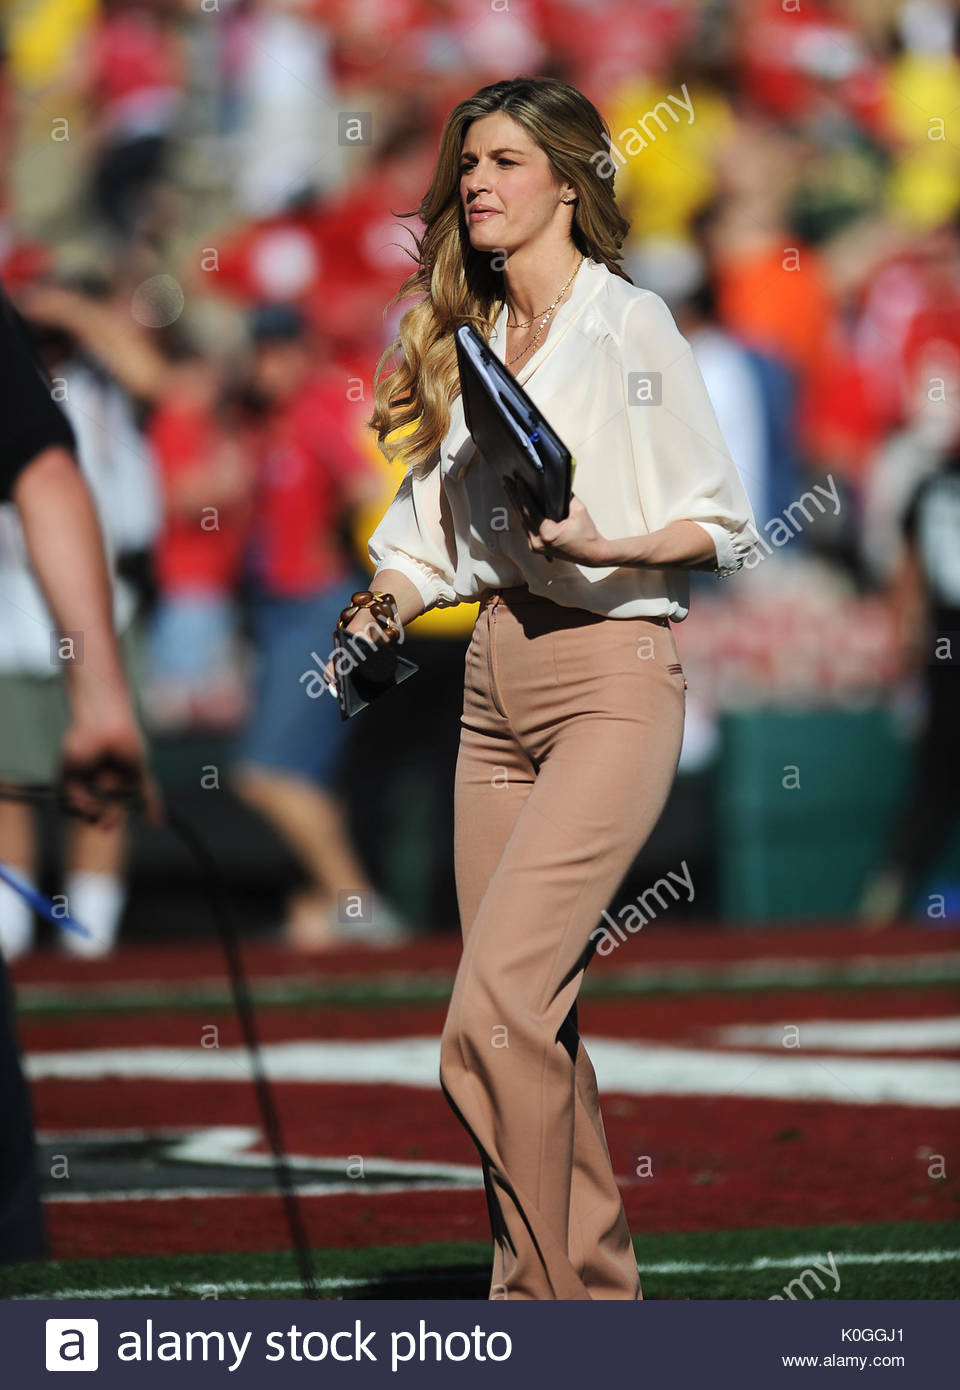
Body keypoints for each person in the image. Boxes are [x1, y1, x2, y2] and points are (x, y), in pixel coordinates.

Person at [329, 77, 758, 1300]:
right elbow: (427, 541)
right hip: (491, 684)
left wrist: (611, 547)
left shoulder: (631, 326)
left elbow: (720, 519)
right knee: (538, 1027)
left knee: (494, 1015)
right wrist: (379, 608)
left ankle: (554, 1316)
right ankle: (580, 1299)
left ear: (567, 182)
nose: (477, 183)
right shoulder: (462, 337)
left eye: (507, 161)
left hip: (611, 677)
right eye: (469, 163)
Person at [0, 275, 155, 1260]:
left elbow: (156, 379)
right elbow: (45, 477)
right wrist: (103, 701)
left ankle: (83, 930)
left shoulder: (100, 378)